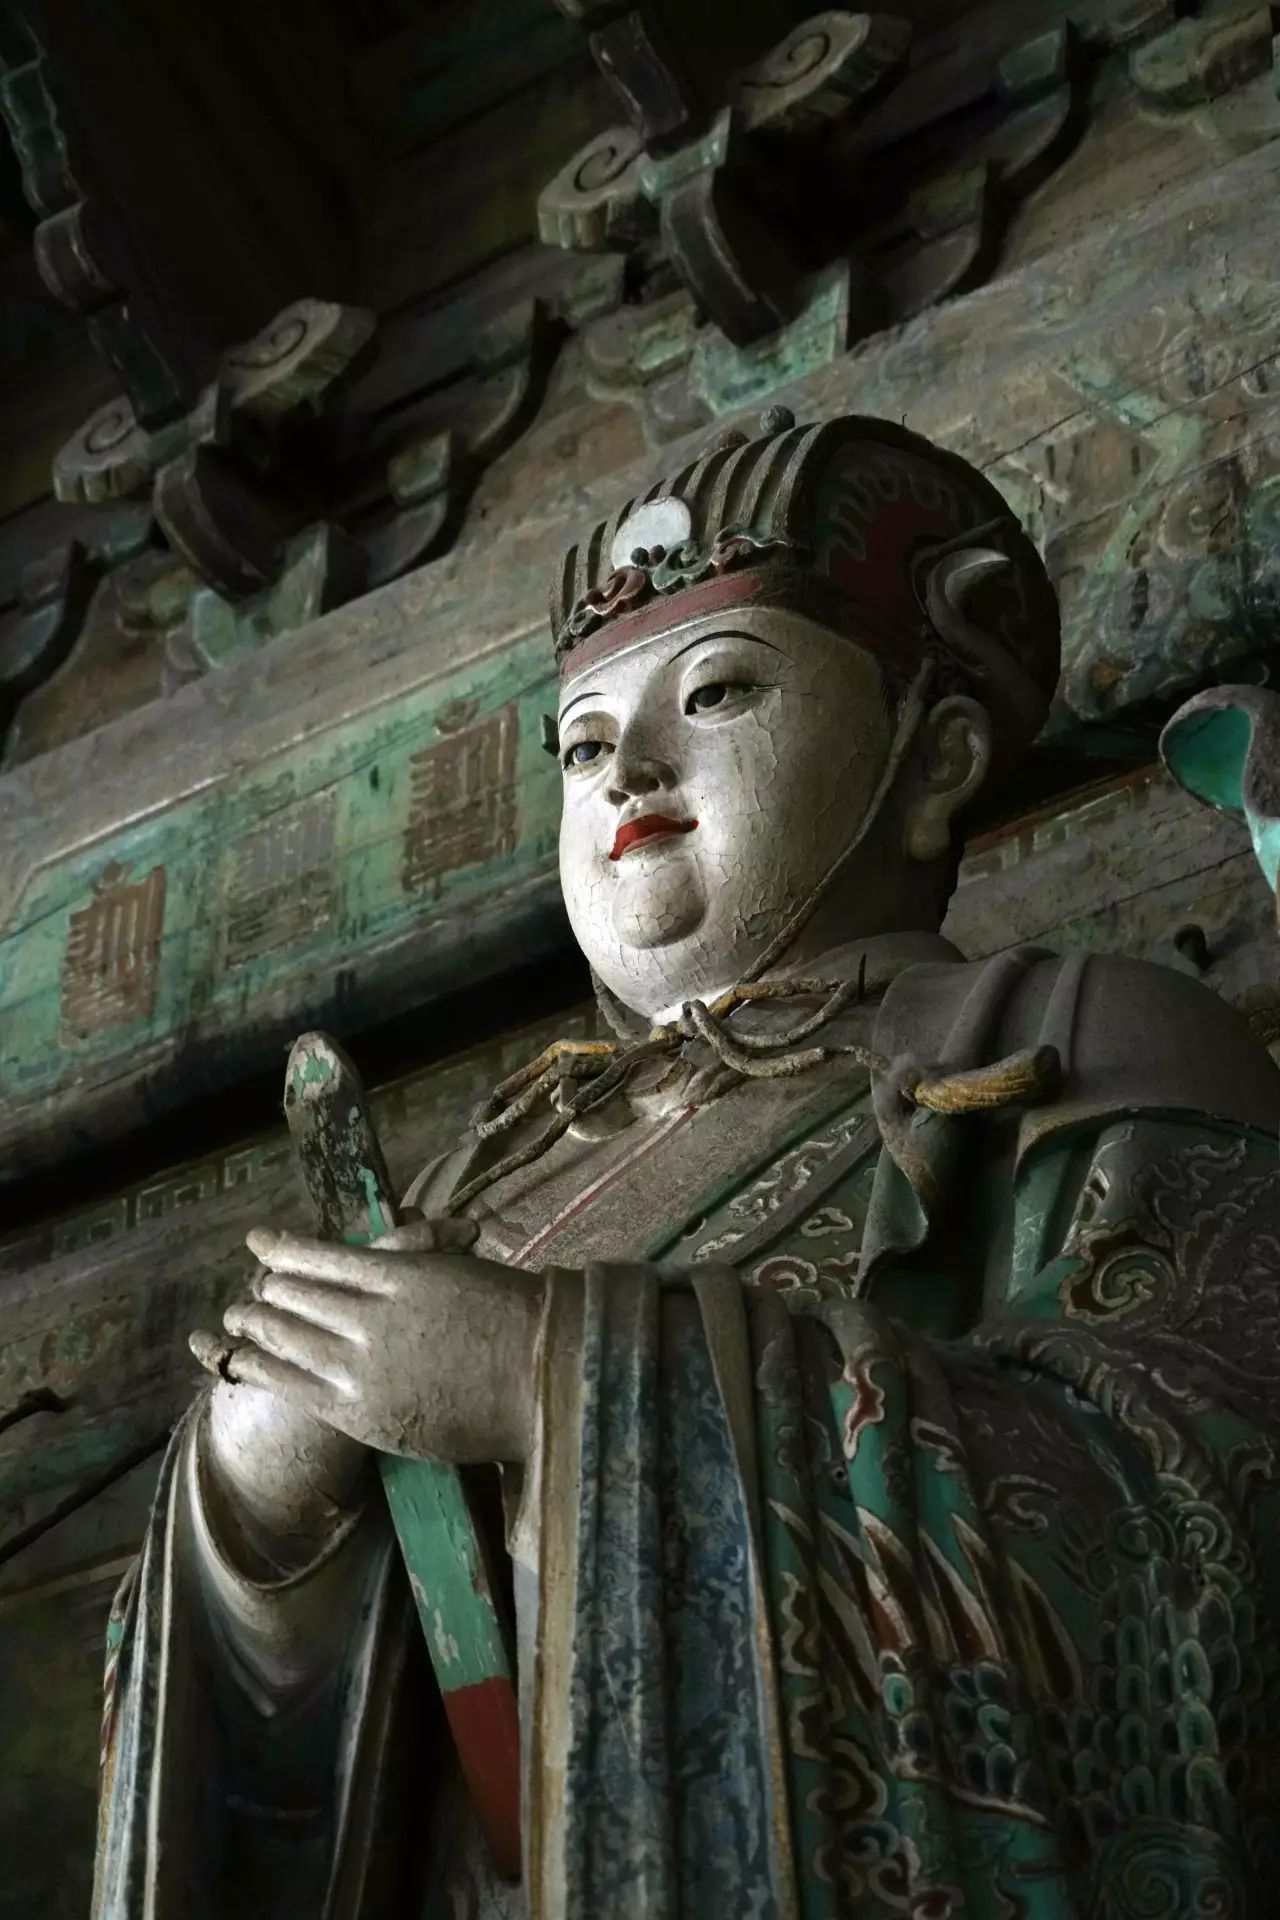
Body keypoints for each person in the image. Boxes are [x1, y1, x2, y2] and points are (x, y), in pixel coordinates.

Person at [94, 411, 1280, 1918]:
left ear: (934, 759)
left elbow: (1192, 1522)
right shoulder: (479, 1180)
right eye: (584, 745)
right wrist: (250, 1518)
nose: (628, 772)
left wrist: (552, 1375)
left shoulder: (1075, 1038)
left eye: (717, 692)